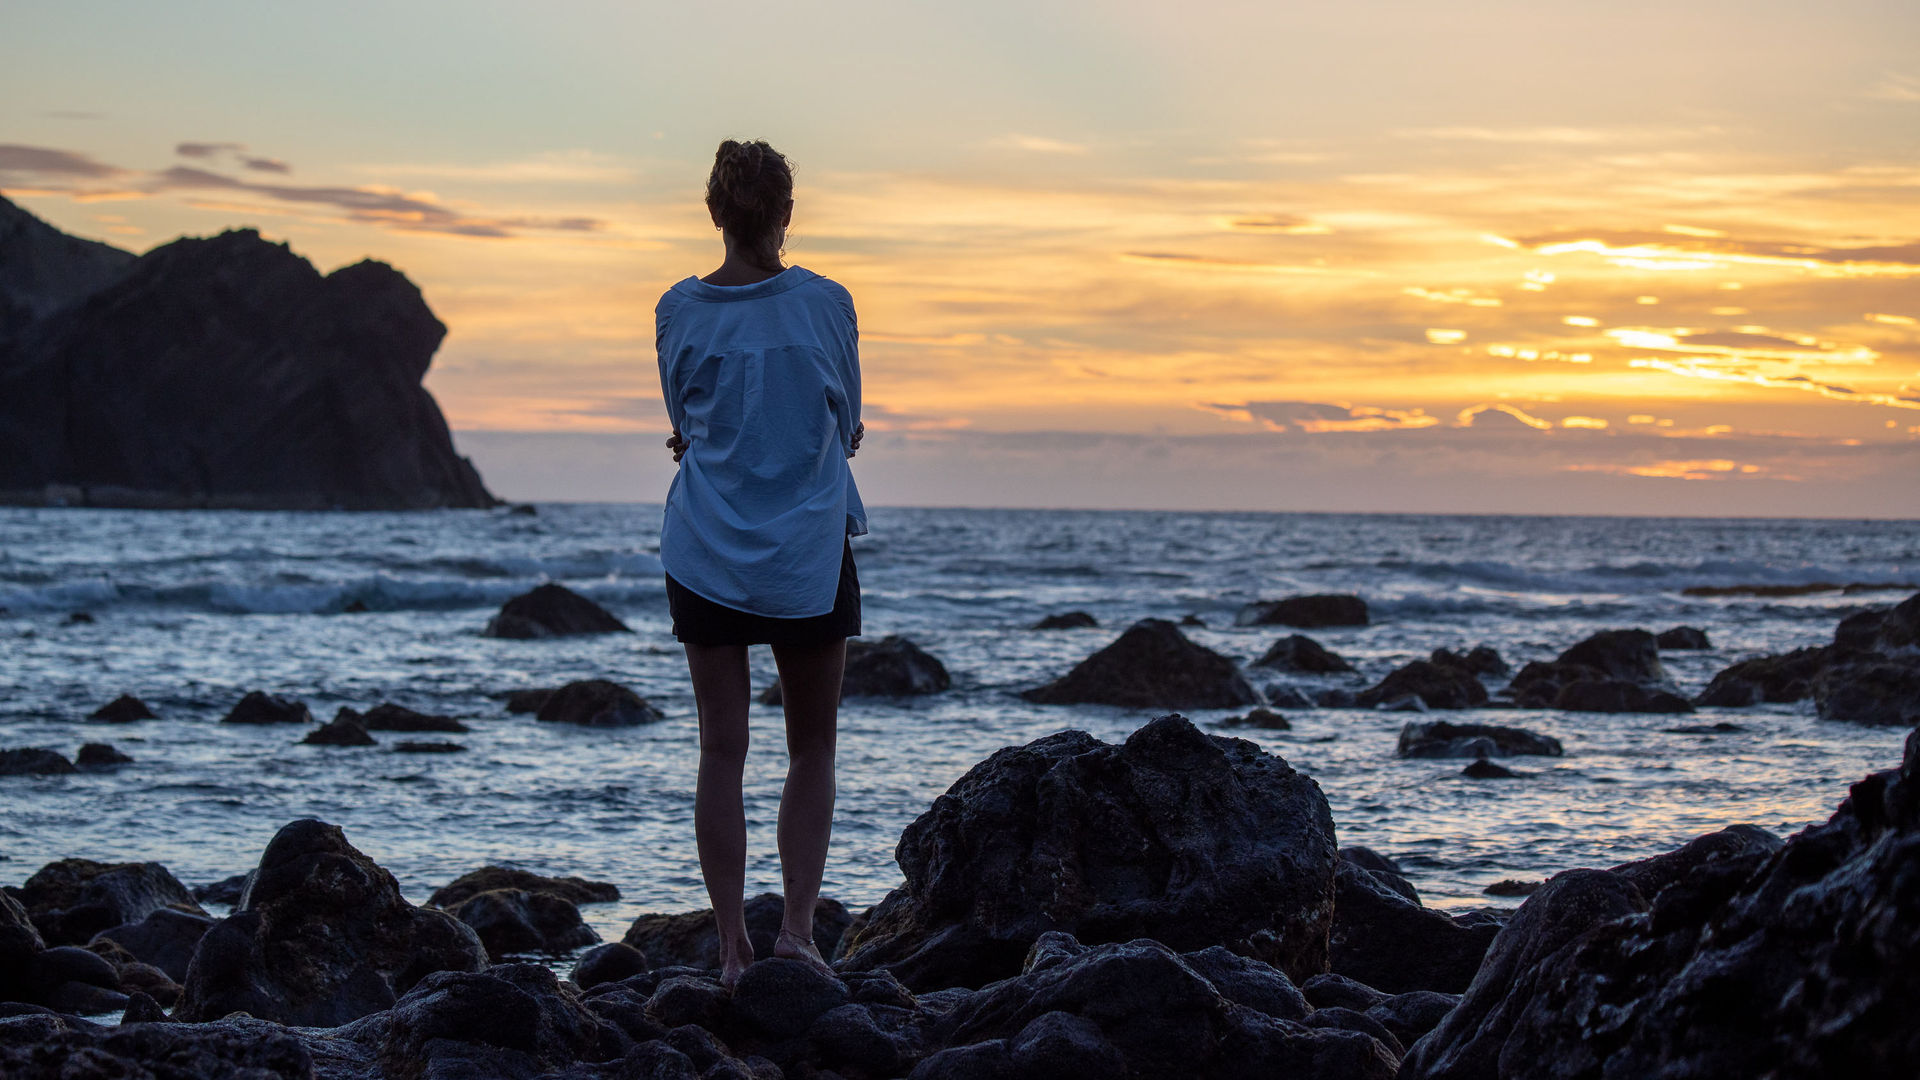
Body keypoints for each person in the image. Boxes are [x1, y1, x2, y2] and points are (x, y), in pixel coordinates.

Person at [655, 138, 866, 989]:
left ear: (715, 213)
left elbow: (682, 419)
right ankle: (800, 934)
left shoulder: (679, 307)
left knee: (721, 751)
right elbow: (846, 421)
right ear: (786, 214)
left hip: (706, 546)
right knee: (811, 746)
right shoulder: (827, 303)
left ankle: (735, 947)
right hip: (808, 548)